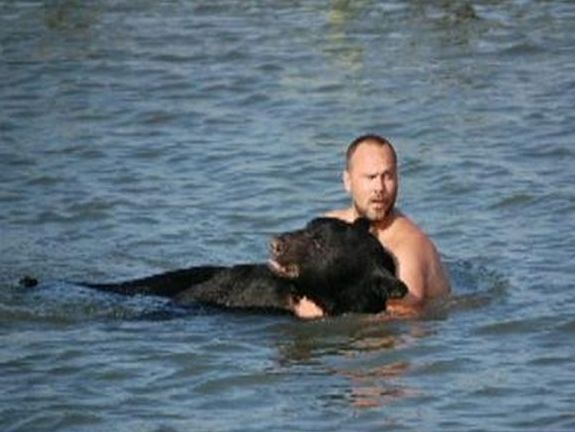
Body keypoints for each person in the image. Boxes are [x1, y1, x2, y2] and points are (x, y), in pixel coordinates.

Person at [294, 134, 451, 319]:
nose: (380, 188)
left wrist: (326, 317)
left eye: (388, 176)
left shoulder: (406, 249)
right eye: (371, 177)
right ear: (347, 181)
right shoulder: (328, 228)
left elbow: (403, 323)